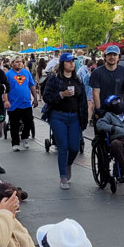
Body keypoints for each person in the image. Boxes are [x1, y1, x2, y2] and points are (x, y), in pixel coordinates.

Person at [44, 53, 88, 189]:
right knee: (63, 146)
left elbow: (83, 100)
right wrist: (61, 95)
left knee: (74, 147)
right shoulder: (54, 79)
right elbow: (46, 96)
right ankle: (63, 176)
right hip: (58, 116)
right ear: (63, 63)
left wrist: (85, 118)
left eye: (73, 61)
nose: (72, 64)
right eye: (69, 62)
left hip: (74, 116)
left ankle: (68, 164)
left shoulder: (78, 79)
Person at [89, 44, 124, 116]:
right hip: (104, 109)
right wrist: (98, 110)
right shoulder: (97, 72)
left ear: (118, 57)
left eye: (115, 54)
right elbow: (95, 93)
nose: (112, 57)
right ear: (105, 57)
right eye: (109, 54)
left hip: (119, 109)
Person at [6, 56, 37, 151]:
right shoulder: (8, 74)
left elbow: (32, 86)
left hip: (26, 103)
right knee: (14, 124)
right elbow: (5, 89)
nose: (19, 63)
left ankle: (24, 137)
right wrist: (6, 100)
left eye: (20, 62)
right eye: (16, 62)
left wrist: (35, 98)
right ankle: (15, 143)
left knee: (28, 121)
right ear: (12, 64)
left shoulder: (26, 73)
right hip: (13, 104)